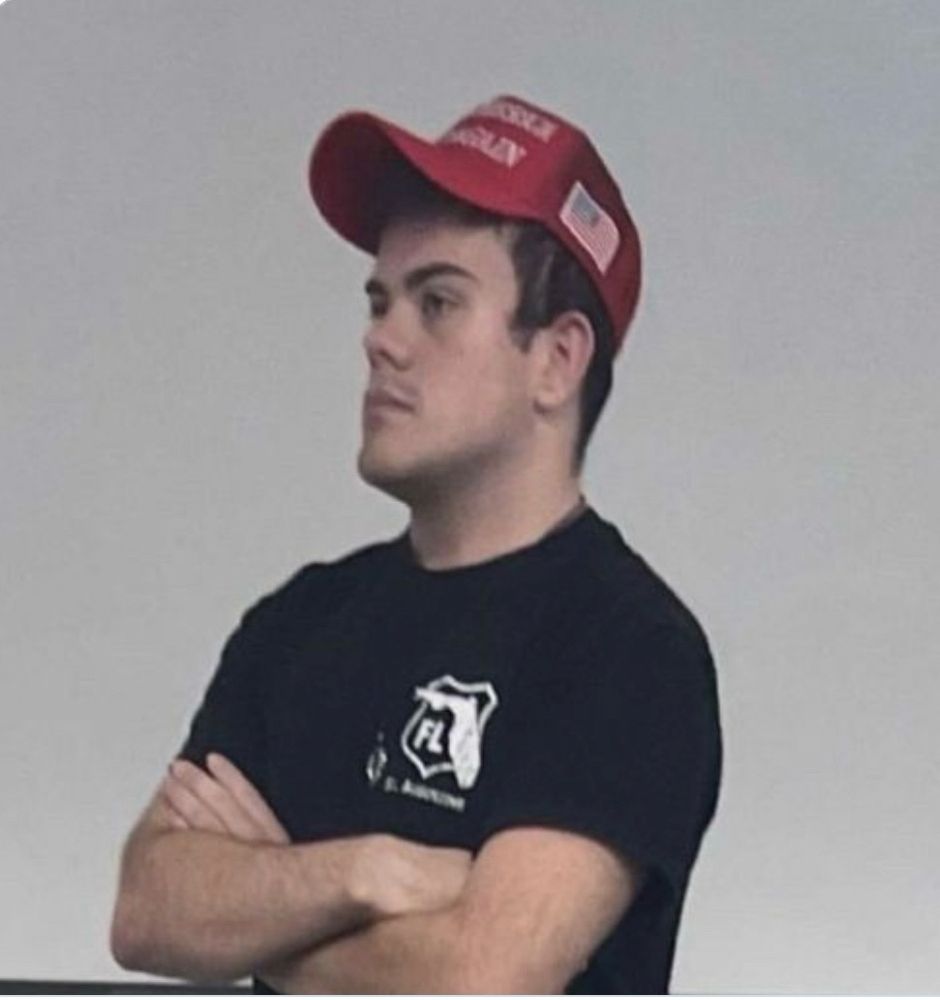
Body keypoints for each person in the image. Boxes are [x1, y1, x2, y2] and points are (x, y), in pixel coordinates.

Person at [109, 94, 722, 994]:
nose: (380, 340)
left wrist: (260, 914)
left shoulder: (629, 651)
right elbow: (147, 910)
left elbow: (476, 980)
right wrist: (369, 872)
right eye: (380, 301)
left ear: (556, 360)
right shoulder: (299, 621)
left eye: (437, 302)